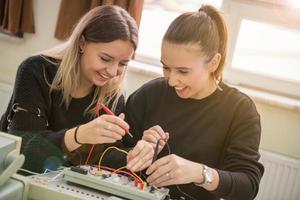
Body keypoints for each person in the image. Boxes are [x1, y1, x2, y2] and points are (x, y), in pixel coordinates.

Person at [124, 4, 264, 200]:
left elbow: (247, 186)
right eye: (166, 68)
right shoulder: (149, 94)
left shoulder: (240, 110)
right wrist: (136, 152)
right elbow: (108, 154)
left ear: (213, 63)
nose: (172, 81)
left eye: (183, 71)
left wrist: (199, 173)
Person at [0, 5, 153, 174]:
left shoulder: (113, 94)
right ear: (82, 43)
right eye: (105, 58)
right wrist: (79, 135)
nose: (112, 71)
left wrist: (134, 156)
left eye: (123, 63)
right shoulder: (36, 70)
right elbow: (23, 151)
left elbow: (103, 158)